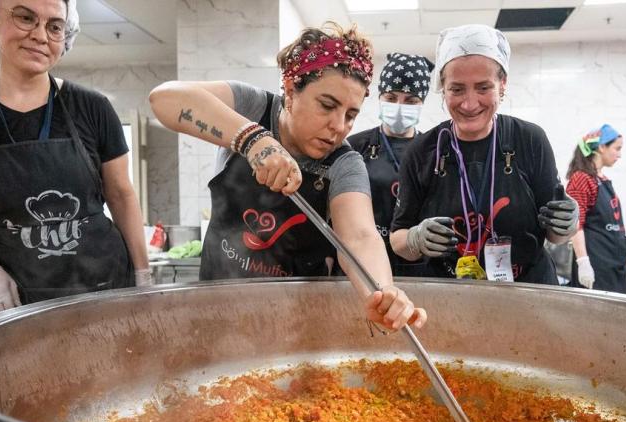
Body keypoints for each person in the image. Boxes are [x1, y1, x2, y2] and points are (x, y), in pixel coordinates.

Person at [149, 23, 426, 331]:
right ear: (292, 89)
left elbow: (359, 236)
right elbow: (164, 99)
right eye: (327, 105)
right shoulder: (253, 107)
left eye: (350, 115)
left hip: (296, 324)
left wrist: (382, 293)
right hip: (218, 309)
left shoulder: (345, 163)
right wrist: (252, 139)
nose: (339, 126)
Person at [0, 0, 151, 316]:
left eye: (54, 26)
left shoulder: (93, 107)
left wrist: (143, 278)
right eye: (24, 17)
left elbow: (121, 195)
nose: (40, 35)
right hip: (16, 297)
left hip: (105, 288)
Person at [390, 24, 579, 284]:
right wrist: (414, 240)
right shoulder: (422, 151)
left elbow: (555, 235)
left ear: (502, 85)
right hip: (451, 292)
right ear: (442, 89)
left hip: (528, 291)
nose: (469, 103)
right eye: (456, 89)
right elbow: (398, 238)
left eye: (483, 88)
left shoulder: (530, 140)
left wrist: (566, 224)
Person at [347, 52, 435, 276]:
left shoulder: (433, 150)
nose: (399, 106)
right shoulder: (356, 146)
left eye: (411, 100)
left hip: (415, 265)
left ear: (422, 102)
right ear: (379, 97)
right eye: (391, 97)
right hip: (363, 263)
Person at [565, 124, 626, 292]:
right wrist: (583, 263)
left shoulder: (602, 179)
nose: (620, 154)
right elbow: (575, 224)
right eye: (617, 148)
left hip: (612, 266)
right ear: (601, 147)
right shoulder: (581, 179)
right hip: (595, 266)